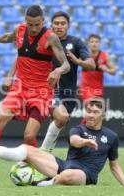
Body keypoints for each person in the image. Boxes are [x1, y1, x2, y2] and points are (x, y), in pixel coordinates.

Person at [0, 5, 70, 181]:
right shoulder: (20, 30)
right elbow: (8, 38)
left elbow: (66, 64)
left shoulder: (51, 37)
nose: (33, 28)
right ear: (25, 21)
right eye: (30, 24)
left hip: (41, 92)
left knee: (29, 136)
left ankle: (39, 170)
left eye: (37, 24)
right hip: (19, 88)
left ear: (43, 22)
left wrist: (57, 71)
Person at [0, 97, 124, 187]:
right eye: (89, 111)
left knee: (68, 176)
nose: (91, 115)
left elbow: (114, 165)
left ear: (103, 115)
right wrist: (85, 142)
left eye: (95, 112)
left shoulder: (111, 136)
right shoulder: (79, 129)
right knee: (26, 149)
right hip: (65, 164)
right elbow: (74, 141)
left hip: (87, 174)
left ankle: (41, 185)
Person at [39, 11, 95, 154]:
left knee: (61, 121)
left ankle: (45, 151)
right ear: (51, 25)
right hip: (48, 90)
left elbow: (91, 64)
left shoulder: (75, 42)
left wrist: (78, 61)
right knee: (61, 117)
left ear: (68, 26)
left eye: (62, 23)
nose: (59, 26)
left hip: (68, 94)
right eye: (56, 23)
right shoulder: (45, 41)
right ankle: (43, 152)